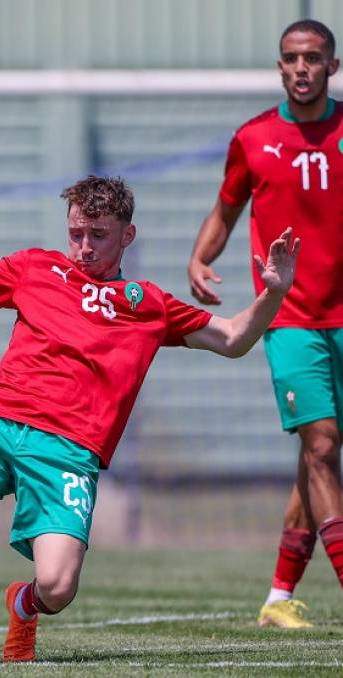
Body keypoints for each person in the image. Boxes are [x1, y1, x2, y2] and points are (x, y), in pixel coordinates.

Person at [0, 176, 299, 662]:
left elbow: (232, 339)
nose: (83, 247)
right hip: (1, 423)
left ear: (128, 235)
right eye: (76, 233)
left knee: (57, 586)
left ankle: (24, 602)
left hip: (67, 452)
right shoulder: (35, 267)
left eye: (97, 235)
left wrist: (274, 293)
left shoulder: (148, 305)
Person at [187, 19, 343, 628]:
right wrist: (201, 257)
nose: (301, 67)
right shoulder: (254, 138)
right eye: (290, 58)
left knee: (315, 457)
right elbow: (225, 209)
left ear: (331, 65)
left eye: (312, 58)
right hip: (293, 318)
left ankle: (279, 598)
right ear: (280, 67)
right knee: (324, 445)